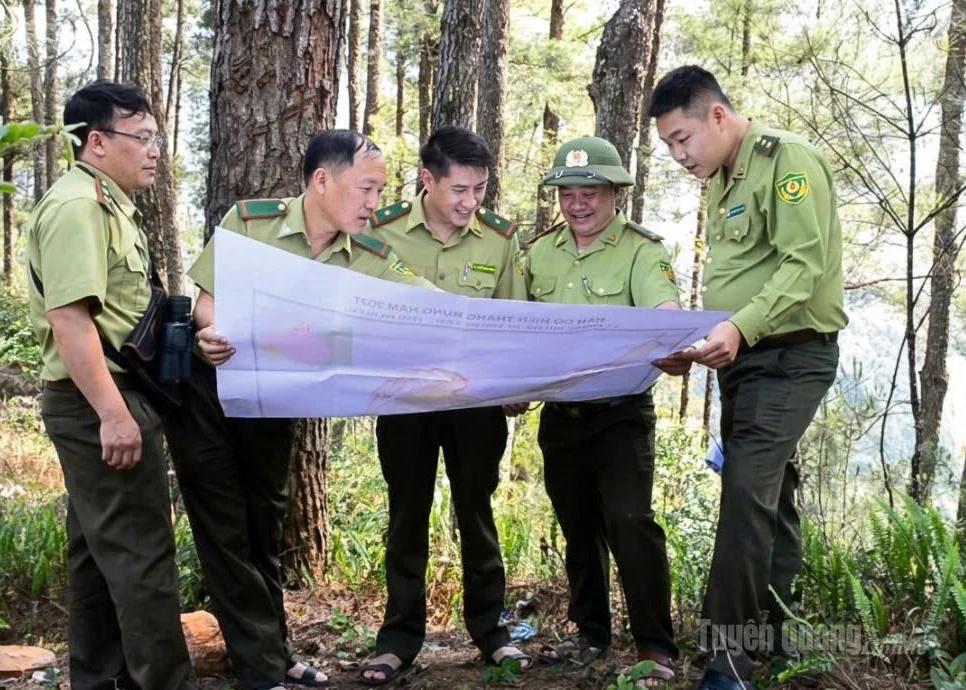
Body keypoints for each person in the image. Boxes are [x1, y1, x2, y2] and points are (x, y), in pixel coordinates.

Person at [162, 130, 431, 690]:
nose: (373, 203)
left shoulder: (371, 255)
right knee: (225, 533)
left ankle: (273, 653)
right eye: (366, 189)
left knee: (265, 527)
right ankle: (262, 672)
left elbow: (426, 305)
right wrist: (210, 333)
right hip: (207, 393)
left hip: (273, 400)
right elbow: (208, 305)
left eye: (380, 191)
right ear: (322, 180)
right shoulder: (251, 223)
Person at [647, 66, 847, 690]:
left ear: (717, 116)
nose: (679, 156)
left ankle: (726, 660)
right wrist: (701, 342)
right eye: (669, 147)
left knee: (743, 494)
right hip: (743, 361)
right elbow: (739, 278)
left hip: (791, 357)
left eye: (683, 139)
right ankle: (783, 642)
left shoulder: (788, 161)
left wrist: (739, 329)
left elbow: (804, 266)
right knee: (770, 500)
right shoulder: (721, 178)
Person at [24, 80, 197, 690]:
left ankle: (98, 679)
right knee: (142, 555)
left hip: (110, 392)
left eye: (157, 138)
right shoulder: (78, 208)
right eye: (142, 138)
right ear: (97, 142)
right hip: (98, 396)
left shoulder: (107, 200)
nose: (154, 151)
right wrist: (113, 413)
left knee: (98, 556)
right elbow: (70, 320)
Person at [358, 126, 530, 686]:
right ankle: (398, 639)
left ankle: (491, 632)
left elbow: (513, 322)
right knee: (406, 514)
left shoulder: (498, 241)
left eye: (479, 190)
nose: (470, 202)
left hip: (474, 403)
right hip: (406, 401)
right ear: (427, 180)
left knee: (476, 514)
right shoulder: (382, 233)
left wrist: (515, 386)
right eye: (459, 189)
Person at [513, 137, 681, 687]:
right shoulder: (539, 254)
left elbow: (664, 309)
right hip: (561, 419)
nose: (577, 204)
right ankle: (591, 635)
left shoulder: (641, 251)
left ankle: (656, 645)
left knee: (631, 523)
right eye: (567, 193)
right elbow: (515, 328)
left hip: (621, 415)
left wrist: (675, 337)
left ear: (615, 194)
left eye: (590, 193)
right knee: (578, 528)